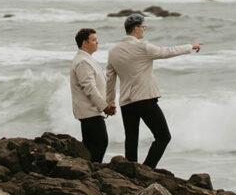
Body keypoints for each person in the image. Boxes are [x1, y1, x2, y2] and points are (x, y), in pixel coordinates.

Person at [106, 13, 202, 168]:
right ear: (136, 28)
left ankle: (131, 172)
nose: (144, 30)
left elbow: (110, 78)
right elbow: (167, 51)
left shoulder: (113, 51)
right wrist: (190, 47)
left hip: (126, 102)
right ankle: (147, 168)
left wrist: (109, 102)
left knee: (131, 140)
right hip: (145, 99)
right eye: (143, 27)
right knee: (163, 136)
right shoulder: (143, 47)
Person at [70, 27, 116, 162]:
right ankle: (93, 172)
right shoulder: (83, 62)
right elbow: (89, 88)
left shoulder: (86, 59)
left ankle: (89, 172)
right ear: (85, 43)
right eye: (94, 40)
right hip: (90, 111)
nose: (97, 42)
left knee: (90, 146)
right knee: (100, 142)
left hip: (91, 111)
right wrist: (104, 107)